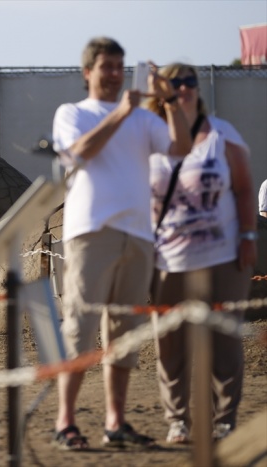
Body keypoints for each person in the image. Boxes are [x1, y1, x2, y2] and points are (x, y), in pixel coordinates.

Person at [51, 37, 192, 450]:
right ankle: (66, 422)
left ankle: (115, 422)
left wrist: (167, 104)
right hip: (90, 233)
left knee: (124, 334)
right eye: (106, 66)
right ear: (87, 72)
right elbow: (78, 153)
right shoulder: (72, 113)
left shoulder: (144, 119)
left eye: (119, 65)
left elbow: (181, 148)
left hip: (139, 235)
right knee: (79, 330)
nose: (114, 73)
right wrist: (124, 112)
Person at [145, 63, 257, 444]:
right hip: (168, 258)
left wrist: (247, 237)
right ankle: (178, 420)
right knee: (170, 343)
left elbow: (244, 188)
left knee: (223, 340)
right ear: (162, 91)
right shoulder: (150, 139)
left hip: (222, 255)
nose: (184, 88)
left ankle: (223, 419)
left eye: (190, 81)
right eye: (175, 83)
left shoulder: (222, 133)